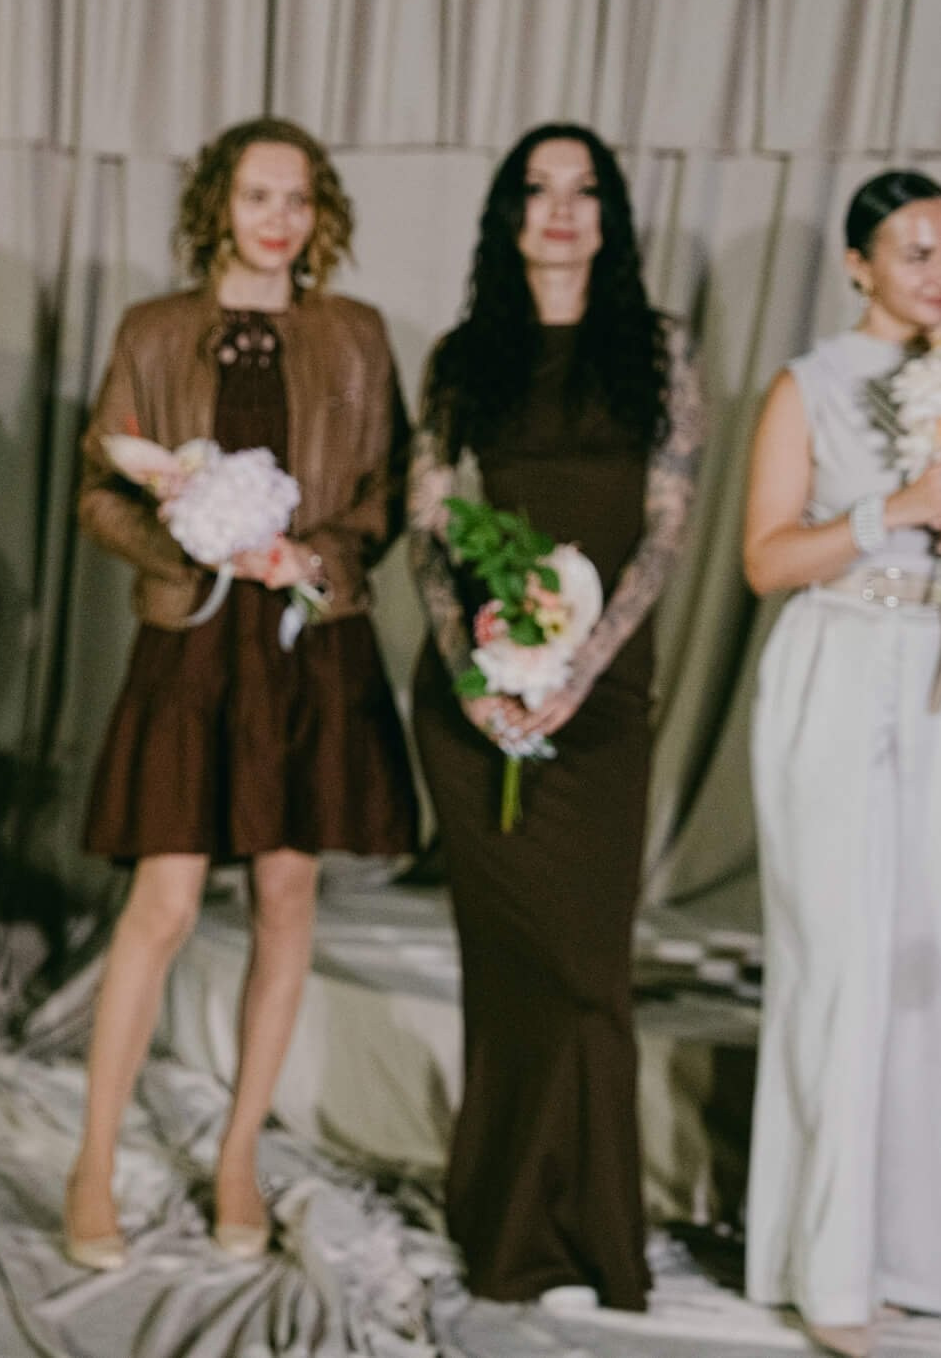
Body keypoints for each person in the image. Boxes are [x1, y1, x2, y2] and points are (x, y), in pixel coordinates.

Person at [63, 115, 415, 1269]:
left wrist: (314, 557)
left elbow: (383, 493)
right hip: (195, 641)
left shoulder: (355, 335)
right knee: (163, 902)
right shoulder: (154, 330)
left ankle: (236, 1160)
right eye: (259, 195)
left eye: (298, 199)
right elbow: (100, 491)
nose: (279, 219)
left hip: (309, 642)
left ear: (320, 215)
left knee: (285, 893)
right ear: (219, 203)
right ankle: (92, 1165)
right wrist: (189, 543)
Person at [738, 171, 941, 1355]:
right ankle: (827, 1266)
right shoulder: (806, 385)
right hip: (840, 664)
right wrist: (893, 508)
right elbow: (765, 560)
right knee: (844, 963)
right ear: (858, 265)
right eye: (915, 253)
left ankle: (922, 1250)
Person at [407, 122, 703, 1316]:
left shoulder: (658, 349)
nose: (561, 208)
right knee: (510, 968)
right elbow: (430, 527)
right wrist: (469, 670)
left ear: (610, 216)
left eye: (584, 190)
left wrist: (581, 666)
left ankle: (593, 1232)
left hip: (601, 693)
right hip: (477, 690)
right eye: (538, 189)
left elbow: (668, 526)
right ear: (509, 216)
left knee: (589, 971)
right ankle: (504, 1226)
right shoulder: (461, 357)